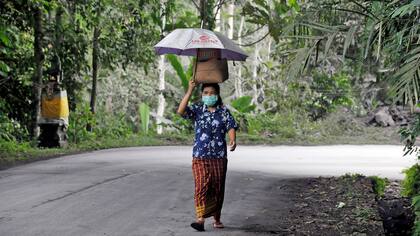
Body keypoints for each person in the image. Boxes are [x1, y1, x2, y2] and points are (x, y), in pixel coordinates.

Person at [177, 79, 238, 232]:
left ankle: (217, 218)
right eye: (206, 93)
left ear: (217, 95)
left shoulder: (223, 111)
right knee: (201, 185)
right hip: (200, 156)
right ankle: (200, 219)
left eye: (212, 93)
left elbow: (230, 125)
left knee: (217, 188)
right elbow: (181, 111)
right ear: (202, 94)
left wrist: (232, 139)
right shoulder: (198, 109)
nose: (209, 95)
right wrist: (190, 90)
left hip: (218, 157)